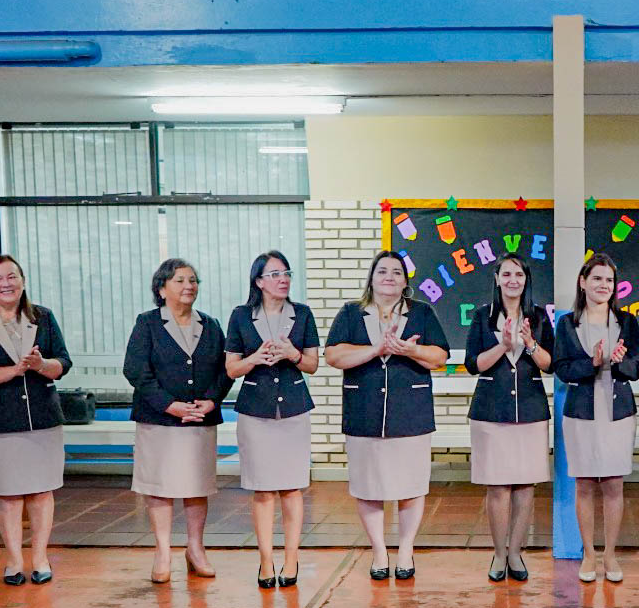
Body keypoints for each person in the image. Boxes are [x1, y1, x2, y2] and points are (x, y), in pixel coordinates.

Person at [324, 251, 450, 582]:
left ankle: (406, 548)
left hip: (410, 412)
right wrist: (375, 349)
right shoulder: (351, 313)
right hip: (364, 411)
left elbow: (440, 356)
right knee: (368, 485)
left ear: (405, 281)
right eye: (382, 271)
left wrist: (411, 350)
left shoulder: (422, 313)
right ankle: (379, 550)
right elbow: (334, 355)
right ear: (372, 278)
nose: (389, 277)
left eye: (396, 272)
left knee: (411, 485)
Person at [0, 255, 73, 585]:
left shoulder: (43, 317)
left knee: (40, 491)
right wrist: (14, 370)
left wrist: (40, 364)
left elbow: (63, 363)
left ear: (22, 280)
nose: (6, 283)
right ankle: (13, 559)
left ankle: (40, 557)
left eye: (12, 276)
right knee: (7, 494)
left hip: (42, 417)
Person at [124, 258, 231, 585]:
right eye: (180, 280)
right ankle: (162, 552)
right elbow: (136, 370)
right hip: (160, 419)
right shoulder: (147, 323)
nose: (189, 286)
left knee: (197, 486)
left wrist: (212, 400)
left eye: (193, 280)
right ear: (162, 288)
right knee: (160, 486)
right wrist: (170, 406)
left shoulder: (210, 325)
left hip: (199, 419)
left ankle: (195, 548)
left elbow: (225, 368)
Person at [224, 250, 320, 588]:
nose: (283, 279)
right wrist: (256, 358)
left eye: (287, 273)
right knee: (262, 490)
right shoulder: (240, 316)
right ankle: (266, 560)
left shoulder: (303, 315)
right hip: (255, 409)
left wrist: (291, 354)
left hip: (294, 408)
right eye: (276, 274)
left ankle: (291, 557)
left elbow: (312, 364)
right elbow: (232, 368)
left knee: (292, 488)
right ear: (259, 281)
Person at [465, 253, 555, 583]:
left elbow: (550, 364)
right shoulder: (482, 317)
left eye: (518, 274)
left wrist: (530, 344)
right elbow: (473, 364)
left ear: (526, 279)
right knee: (498, 486)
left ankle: (516, 552)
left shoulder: (540, 317)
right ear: (497, 279)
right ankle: (499, 553)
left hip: (530, 409)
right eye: (506, 274)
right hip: (491, 410)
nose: (513, 279)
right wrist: (503, 345)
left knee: (525, 485)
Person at [553, 252, 639, 584]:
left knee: (614, 484)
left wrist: (618, 362)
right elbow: (562, 369)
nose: (604, 285)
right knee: (586, 484)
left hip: (617, 414)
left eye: (609, 280)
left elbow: (636, 369)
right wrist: (592, 362)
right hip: (581, 413)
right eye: (597, 279)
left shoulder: (627, 322)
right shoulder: (566, 324)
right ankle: (589, 554)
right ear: (583, 282)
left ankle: (610, 555)